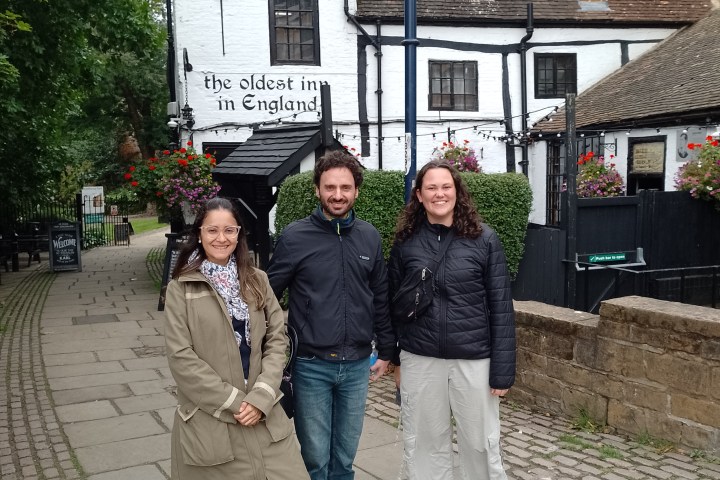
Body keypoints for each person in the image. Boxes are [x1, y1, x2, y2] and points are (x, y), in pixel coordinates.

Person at [267, 150, 395, 480]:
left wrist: (387, 350)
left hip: (356, 367)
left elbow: (381, 296)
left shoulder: (369, 236)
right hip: (311, 366)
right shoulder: (294, 238)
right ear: (317, 190)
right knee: (315, 460)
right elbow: (266, 297)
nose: (337, 195)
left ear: (356, 191)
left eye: (345, 188)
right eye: (330, 187)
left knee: (344, 459)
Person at [164, 197, 309, 480]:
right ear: (199, 234)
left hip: (265, 416)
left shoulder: (258, 280)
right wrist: (237, 403)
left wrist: (261, 397)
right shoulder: (180, 289)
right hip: (212, 425)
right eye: (212, 230)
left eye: (229, 230)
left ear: (239, 234)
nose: (221, 238)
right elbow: (181, 358)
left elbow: (277, 340)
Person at [388, 161, 516, 480]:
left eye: (446, 186)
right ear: (419, 195)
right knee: (423, 445)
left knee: (480, 445)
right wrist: (395, 358)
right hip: (420, 357)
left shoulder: (485, 240)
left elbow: (501, 307)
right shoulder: (405, 242)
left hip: (474, 360)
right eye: (431, 187)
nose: (439, 193)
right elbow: (392, 303)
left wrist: (502, 372)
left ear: (457, 192)